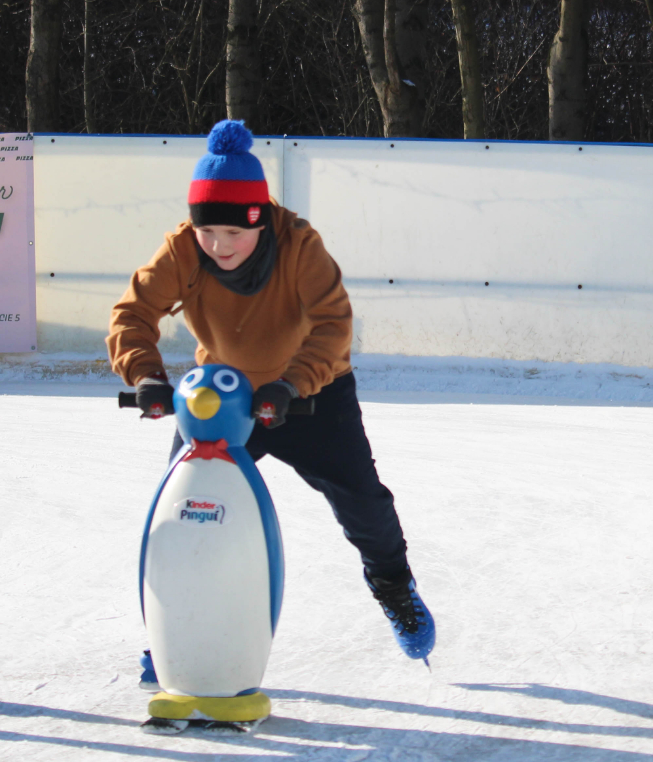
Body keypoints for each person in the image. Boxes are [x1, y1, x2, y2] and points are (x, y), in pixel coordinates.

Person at [107, 120, 435, 680]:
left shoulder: (300, 246)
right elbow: (132, 314)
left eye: (236, 233)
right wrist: (146, 377)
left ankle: (393, 585)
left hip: (311, 394)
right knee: (183, 515)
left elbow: (334, 323)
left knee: (362, 500)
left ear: (261, 219)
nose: (220, 246)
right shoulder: (183, 249)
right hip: (223, 399)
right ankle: (172, 634)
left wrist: (293, 383)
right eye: (210, 232)